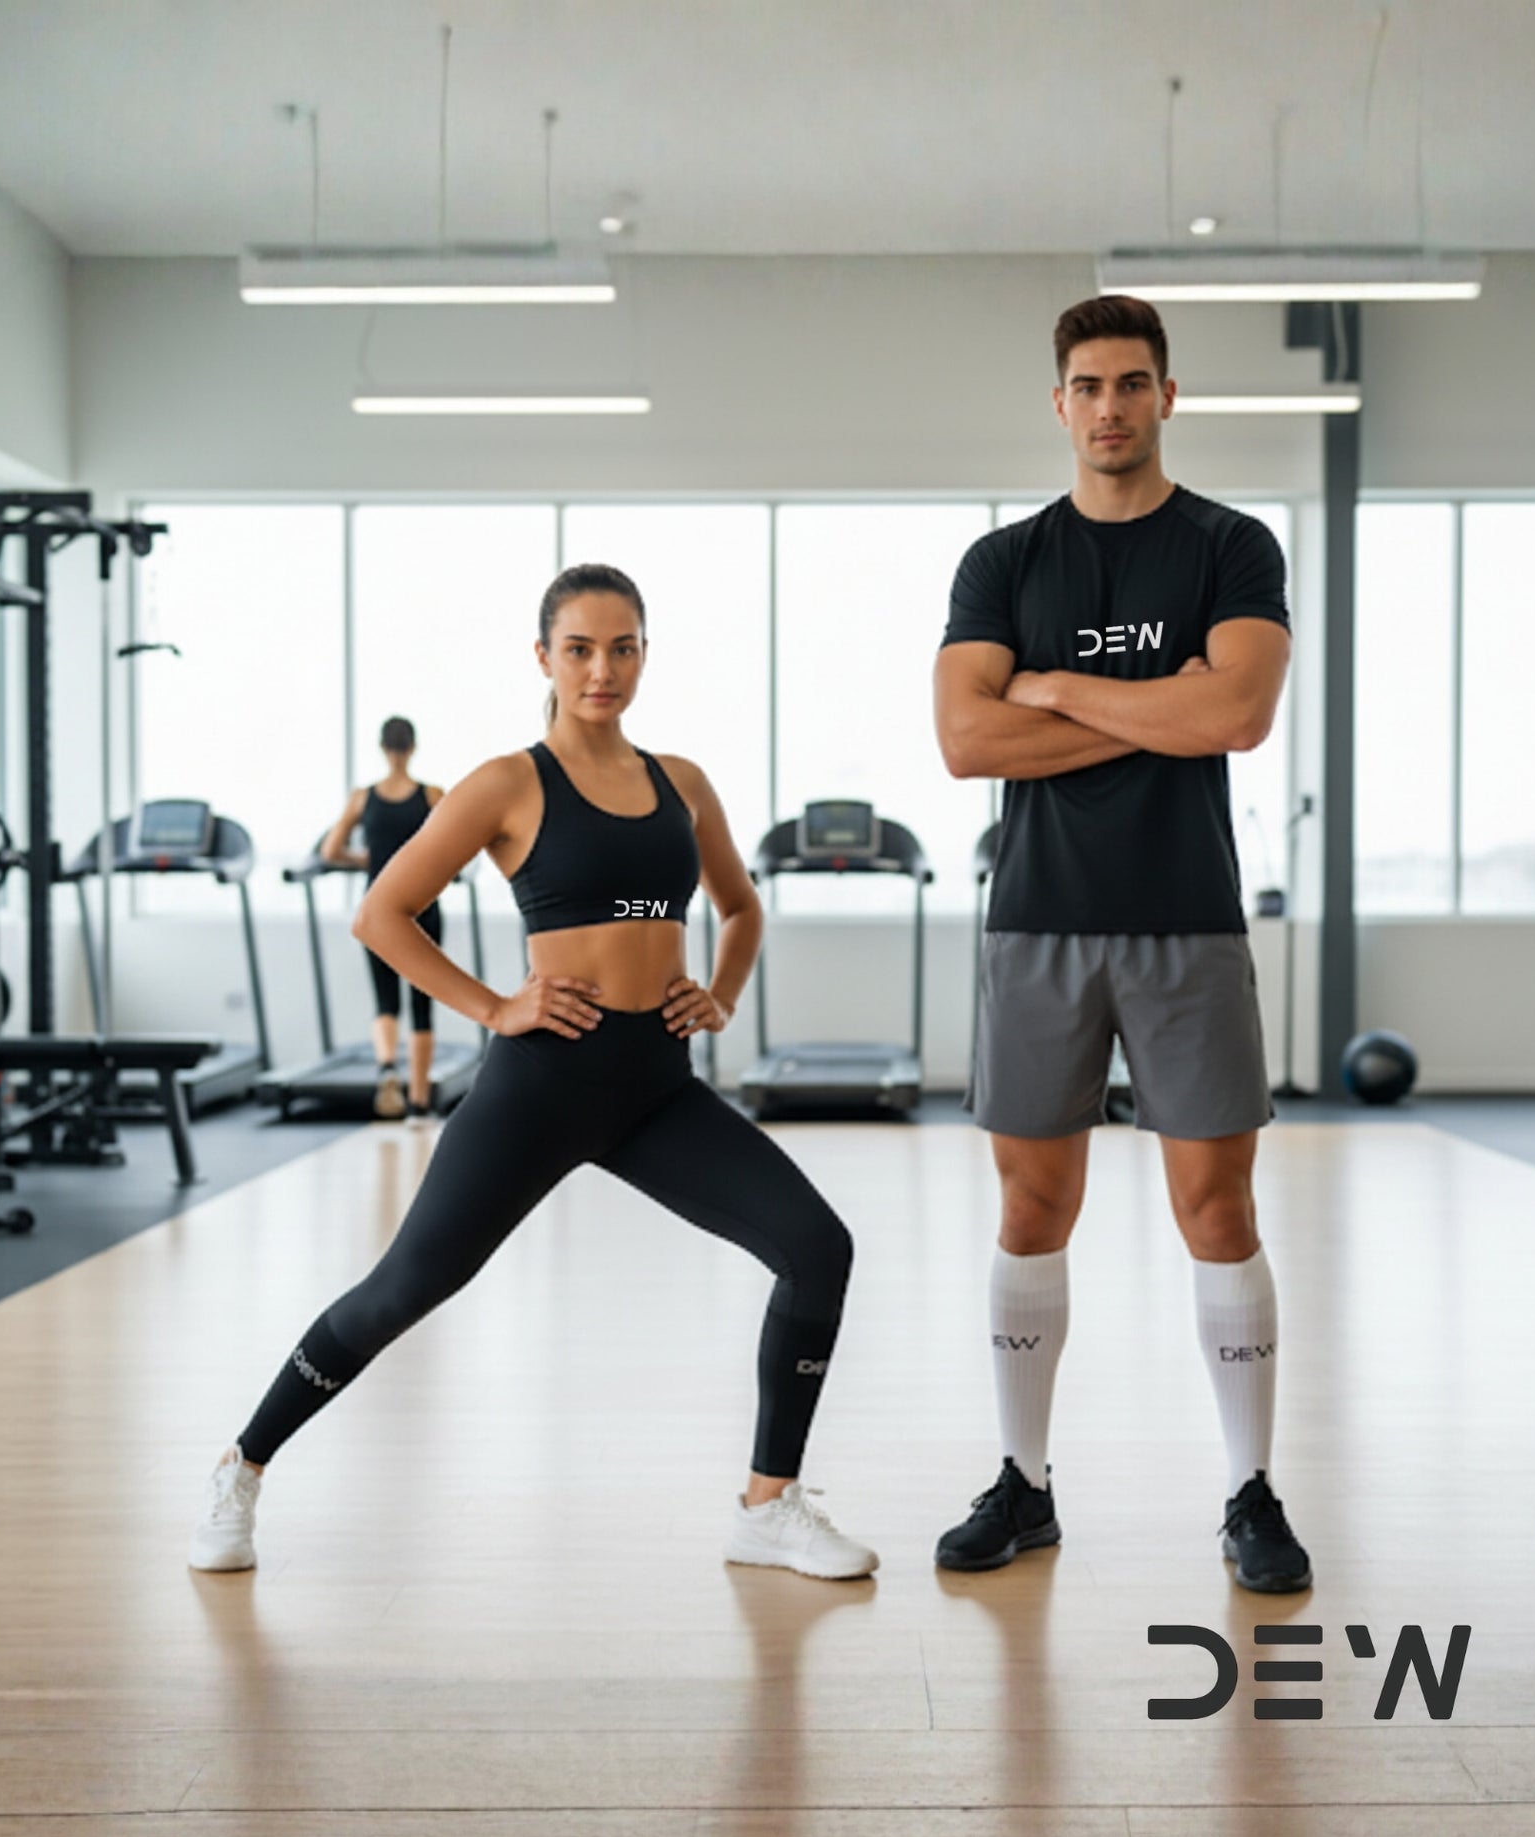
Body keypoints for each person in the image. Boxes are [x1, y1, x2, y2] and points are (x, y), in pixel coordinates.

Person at [190, 564, 876, 1581]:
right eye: (580, 648)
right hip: (543, 1081)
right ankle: (241, 1466)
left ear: (645, 651)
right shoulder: (507, 782)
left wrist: (719, 992)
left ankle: (766, 1505)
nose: (603, 668)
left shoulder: (681, 782)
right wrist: (495, 1006)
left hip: (653, 1082)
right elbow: (382, 910)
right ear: (544, 656)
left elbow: (739, 905)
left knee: (817, 1247)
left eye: (623, 646)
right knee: (402, 1290)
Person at [931, 293, 1311, 1593]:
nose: (1109, 406)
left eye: (1131, 383)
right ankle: (1022, 1482)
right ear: (1059, 403)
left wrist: (1054, 687)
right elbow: (966, 742)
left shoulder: (1227, 545)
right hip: (1035, 922)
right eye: (1087, 385)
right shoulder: (1002, 564)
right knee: (1031, 1207)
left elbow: (1243, 713)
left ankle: (1249, 1490)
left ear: (1165, 396)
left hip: (1184, 920)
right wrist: (1166, 711)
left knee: (1217, 1209)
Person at [321, 717, 446, 1117]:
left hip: (379, 907)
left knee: (385, 999)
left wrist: (368, 861)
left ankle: (388, 1066)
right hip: (422, 906)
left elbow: (330, 851)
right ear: (413, 747)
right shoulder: (431, 796)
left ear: (382, 748)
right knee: (423, 1000)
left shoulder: (362, 798)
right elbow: (453, 850)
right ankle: (420, 1100)